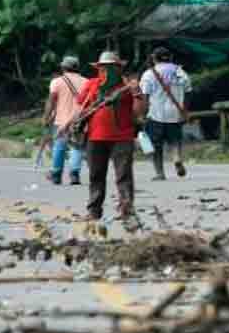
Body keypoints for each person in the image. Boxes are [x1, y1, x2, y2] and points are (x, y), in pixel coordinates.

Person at [72, 51, 145, 222]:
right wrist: (74, 123)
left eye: (111, 67)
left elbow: (139, 112)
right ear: (99, 68)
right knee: (96, 175)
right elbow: (80, 108)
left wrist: (136, 93)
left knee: (124, 175)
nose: (106, 71)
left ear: (119, 69)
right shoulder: (92, 84)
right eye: (103, 68)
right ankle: (94, 210)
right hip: (95, 137)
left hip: (122, 136)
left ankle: (127, 210)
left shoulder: (128, 86)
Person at [139, 46, 192, 180]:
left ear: (154, 58)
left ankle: (160, 173)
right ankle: (177, 158)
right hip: (175, 113)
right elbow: (188, 92)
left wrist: (143, 114)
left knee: (156, 145)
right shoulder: (180, 72)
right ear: (170, 57)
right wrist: (184, 110)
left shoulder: (149, 74)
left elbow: (145, 96)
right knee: (175, 140)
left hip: (156, 114)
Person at [43, 55, 88, 185]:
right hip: (80, 120)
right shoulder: (86, 82)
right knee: (77, 147)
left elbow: (51, 102)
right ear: (77, 68)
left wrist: (46, 117)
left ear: (63, 67)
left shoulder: (56, 82)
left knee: (59, 146)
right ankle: (74, 174)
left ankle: (56, 174)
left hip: (61, 120)